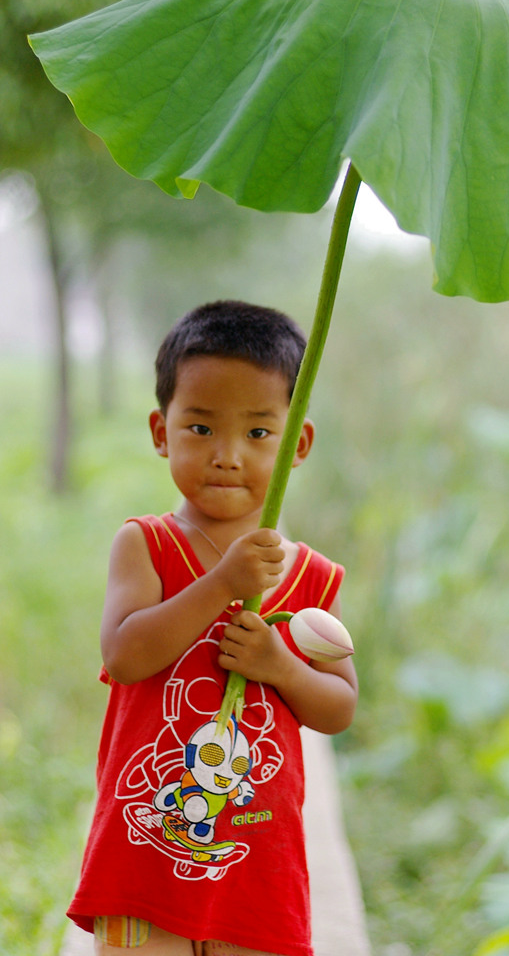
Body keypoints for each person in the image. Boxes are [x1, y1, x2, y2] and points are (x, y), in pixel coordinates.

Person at [67, 300, 358, 956]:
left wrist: (282, 668)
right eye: (199, 428)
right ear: (160, 431)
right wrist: (222, 585)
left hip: (257, 867)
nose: (227, 456)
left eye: (258, 433)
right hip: (142, 856)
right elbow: (125, 655)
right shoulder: (145, 547)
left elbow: (339, 705)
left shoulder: (311, 578)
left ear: (298, 444)